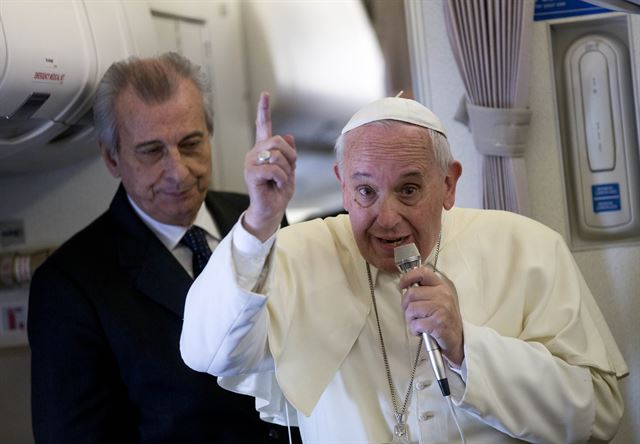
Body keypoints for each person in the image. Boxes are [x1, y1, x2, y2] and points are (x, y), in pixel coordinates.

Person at [180, 93, 629, 443]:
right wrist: (258, 222)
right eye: (365, 192)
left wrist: (466, 346)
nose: (388, 216)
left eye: (409, 189)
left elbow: (599, 415)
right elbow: (207, 352)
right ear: (341, 182)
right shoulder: (296, 253)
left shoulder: (527, 247)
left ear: (449, 184)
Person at [28, 53, 298, 444]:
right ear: (112, 157)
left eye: (190, 144)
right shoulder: (69, 285)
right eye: (152, 152)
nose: (178, 172)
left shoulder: (257, 215)